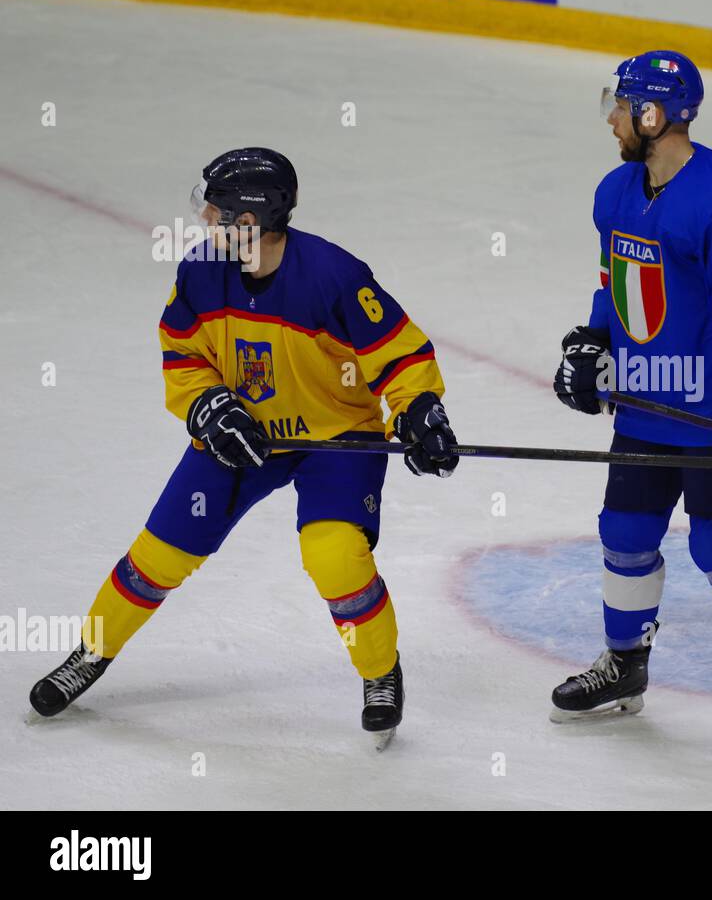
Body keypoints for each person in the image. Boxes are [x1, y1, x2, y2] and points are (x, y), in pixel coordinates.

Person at [29, 148, 459, 743]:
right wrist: (207, 406)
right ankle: (92, 653)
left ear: (252, 219)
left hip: (334, 440)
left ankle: (380, 671)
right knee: (159, 554)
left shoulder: (335, 276)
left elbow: (402, 357)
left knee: (333, 555)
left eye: (217, 210)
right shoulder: (202, 272)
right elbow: (183, 358)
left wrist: (418, 410)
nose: (206, 221)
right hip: (244, 436)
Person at [550, 50, 712, 766]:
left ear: (653, 115)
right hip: (643, 402)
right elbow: (617, 286)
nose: (611, 117)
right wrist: (591, 342)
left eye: (621, 104)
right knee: (625, 534)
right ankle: (624, 665)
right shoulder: (614, 192)